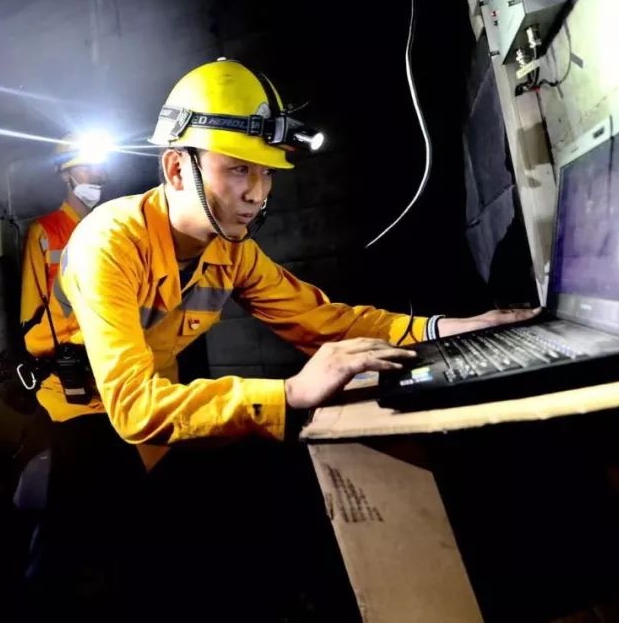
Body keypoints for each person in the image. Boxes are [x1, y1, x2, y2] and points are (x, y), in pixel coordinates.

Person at [51, 58, 538, 613]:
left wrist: (444, 328)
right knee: (81, 575)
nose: (257, 193)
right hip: (84, 412)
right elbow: (133, 406)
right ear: (177, 168)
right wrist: (290, 393)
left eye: (266, 173)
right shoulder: (110, 243)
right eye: (238, 169)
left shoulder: (231, 252)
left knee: (177, 556)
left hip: (160, 407)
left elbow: (322, 320)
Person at [16, 132, 139, 608]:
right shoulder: (46, 232)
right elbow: (33, 324)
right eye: (87, 167)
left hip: (117, 387)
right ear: (66, 173)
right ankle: (42, 595)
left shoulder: (117, 228)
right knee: (67, 506)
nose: (97, 176)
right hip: (70, 394)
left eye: (100, 167)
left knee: (122, 503)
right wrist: (70, 347)